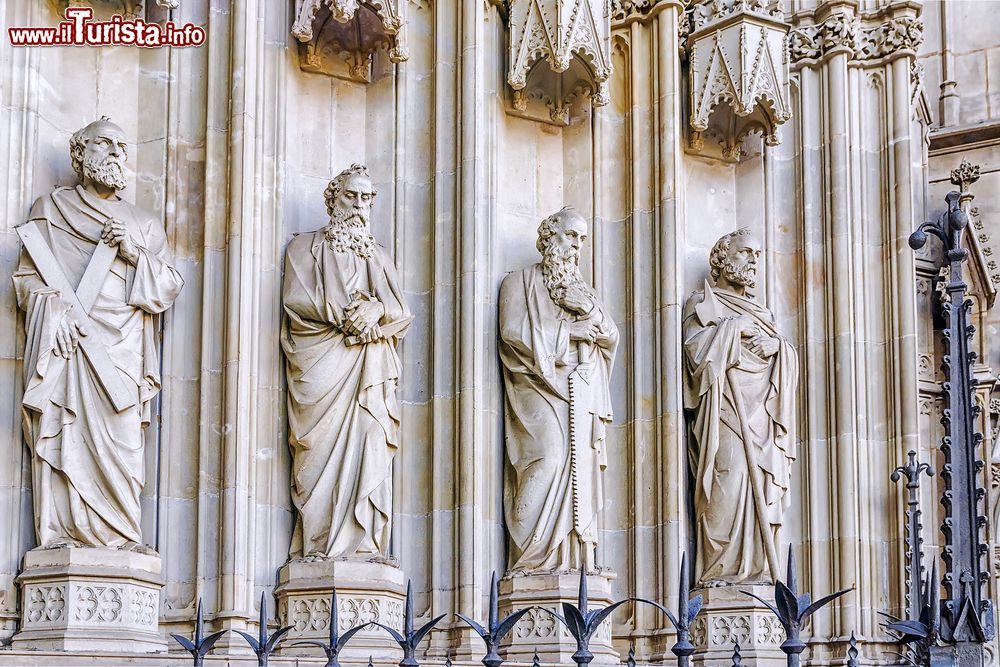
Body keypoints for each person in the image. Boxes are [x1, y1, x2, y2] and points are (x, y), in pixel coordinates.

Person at [14, 117, 184, 550]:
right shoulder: (50, 210)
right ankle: (65, 536)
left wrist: (133, 252)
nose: (114, 154)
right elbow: (27, 279)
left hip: (122, 354)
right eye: (103, 144)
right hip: (70, 345)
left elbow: (168, 286)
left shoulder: (142, 224)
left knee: (123, 443)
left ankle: (122, 535)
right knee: (67, 433)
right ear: (80, 153)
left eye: (121, 148)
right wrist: (55, 313)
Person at [281, 164, 411, 559]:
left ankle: (365, 544)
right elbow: (297, 297)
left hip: (370, 371)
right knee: (316, 456)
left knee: (373, 440)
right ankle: (321, 544)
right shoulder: (305, 247)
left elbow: (400, 311)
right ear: (333, 201)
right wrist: (348, 315)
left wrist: (376, 311)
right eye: (351, 197)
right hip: (323, 366)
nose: (359, 206)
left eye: (367, 198)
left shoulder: (379, 256)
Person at [499, 207, 618, 573]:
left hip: (582, 396)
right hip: (539, 390)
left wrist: (591, 316)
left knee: (580, 471)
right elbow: (512, 332)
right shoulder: (519, 282)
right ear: (550, 237)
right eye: (571, 236)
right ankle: (534, 562)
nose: (577, 246)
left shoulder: (587, 293)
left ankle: (574, 561)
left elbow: (611, 335)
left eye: (582, 238)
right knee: (548, 460)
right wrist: (569, 334)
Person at [682, 228, 797, 585]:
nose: (753, 261)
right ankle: (722, 571)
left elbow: (784, 356)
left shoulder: (763, 313)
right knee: (729, 480)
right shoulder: (703, 304)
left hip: (762, 415)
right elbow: (696, 353)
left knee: (761, 484)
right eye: (746, 252)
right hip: (726, 410)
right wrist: (733, 330)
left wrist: (779, 348)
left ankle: (759, 572)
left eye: (758, 255)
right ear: (722, 258)